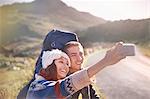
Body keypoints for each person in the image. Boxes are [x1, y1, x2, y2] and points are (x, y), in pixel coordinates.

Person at [26, 42, 126, 99]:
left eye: (81, 54)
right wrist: (105, 61)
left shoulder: (78, 76)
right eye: (73, 55)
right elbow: (65, 86)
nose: (79, 59)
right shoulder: (38, 86)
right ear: (50, 65)